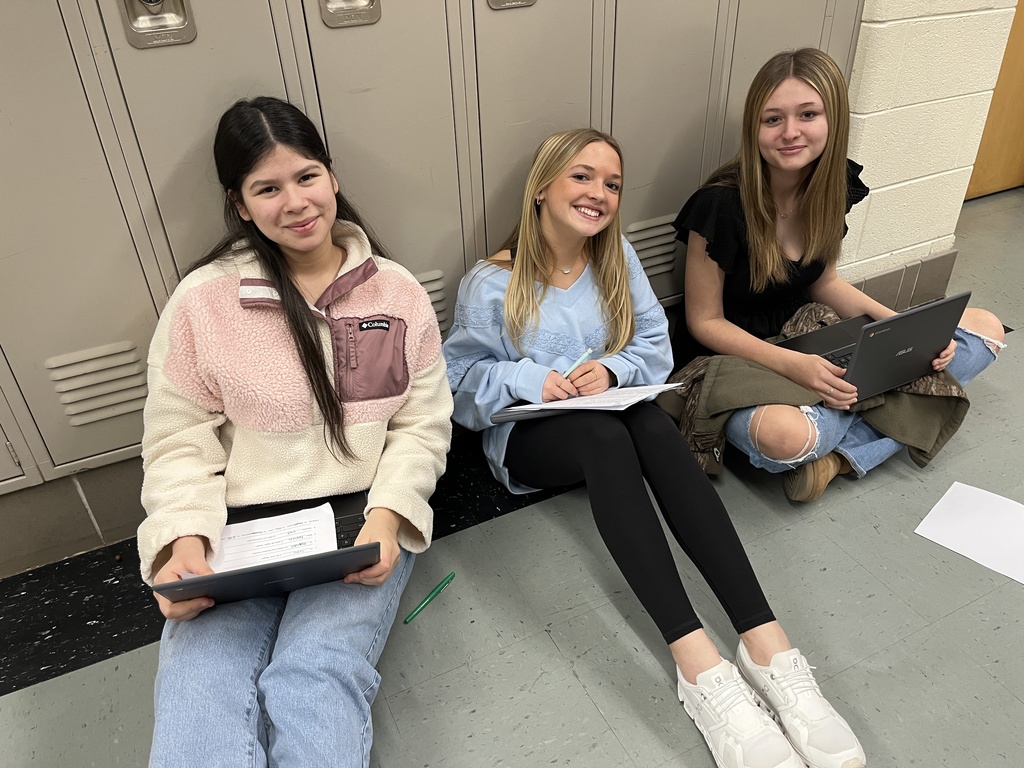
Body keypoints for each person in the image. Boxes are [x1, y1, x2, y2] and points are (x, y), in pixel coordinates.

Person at [443, 128, 866, 768]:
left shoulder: (616, 261)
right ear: (542, 188)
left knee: (646, 426)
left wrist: (612, 372)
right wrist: (532, 379)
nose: (598, 193)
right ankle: (698, 667)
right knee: (606, 435)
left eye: (612, 183)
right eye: (582, 177)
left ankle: (765, 644)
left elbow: (654, 351)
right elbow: (460, 385)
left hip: (608, 419)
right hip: (528, 437)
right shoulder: (491, 283)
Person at [136, 96, 453, 767]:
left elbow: (421, 426)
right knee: (197, 699)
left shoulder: (396, 294)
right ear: (240, 204)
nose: (296, 202)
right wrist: (182, 541)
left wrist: (389, 519)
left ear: (333, 177)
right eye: (267, 188)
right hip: (236, 536)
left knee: (313, 679)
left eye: (307, 176)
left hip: (356, 524)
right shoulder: (202, 302)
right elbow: (177, 439)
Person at [672, 47, 1005, 502]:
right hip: (741, 355)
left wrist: (904, 330)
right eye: (773, 119)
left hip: (812, 334)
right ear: (755, 127)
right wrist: (798, 367)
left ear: (834, 120)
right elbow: (704, 322)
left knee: (984, 330)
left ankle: (840, 455)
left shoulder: (832, 187)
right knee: (784, 440)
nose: (790, 132)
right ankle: (871, 418)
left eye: (807, 114)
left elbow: (824, 283)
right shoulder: (720, 204)